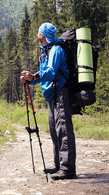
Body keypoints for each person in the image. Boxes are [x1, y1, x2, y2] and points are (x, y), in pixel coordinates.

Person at [20, 22, 76, 180]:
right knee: (54, 130)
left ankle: (68, 169)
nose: (38, 33)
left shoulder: (56, 49)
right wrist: (30, 80)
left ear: (42, 35)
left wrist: (34, 77)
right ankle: (58, 164)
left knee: (64, 130)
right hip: (52, 94)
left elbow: (50, 72)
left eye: (39, 31)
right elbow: (45, 72)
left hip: (61, 92)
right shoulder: (46, 51)